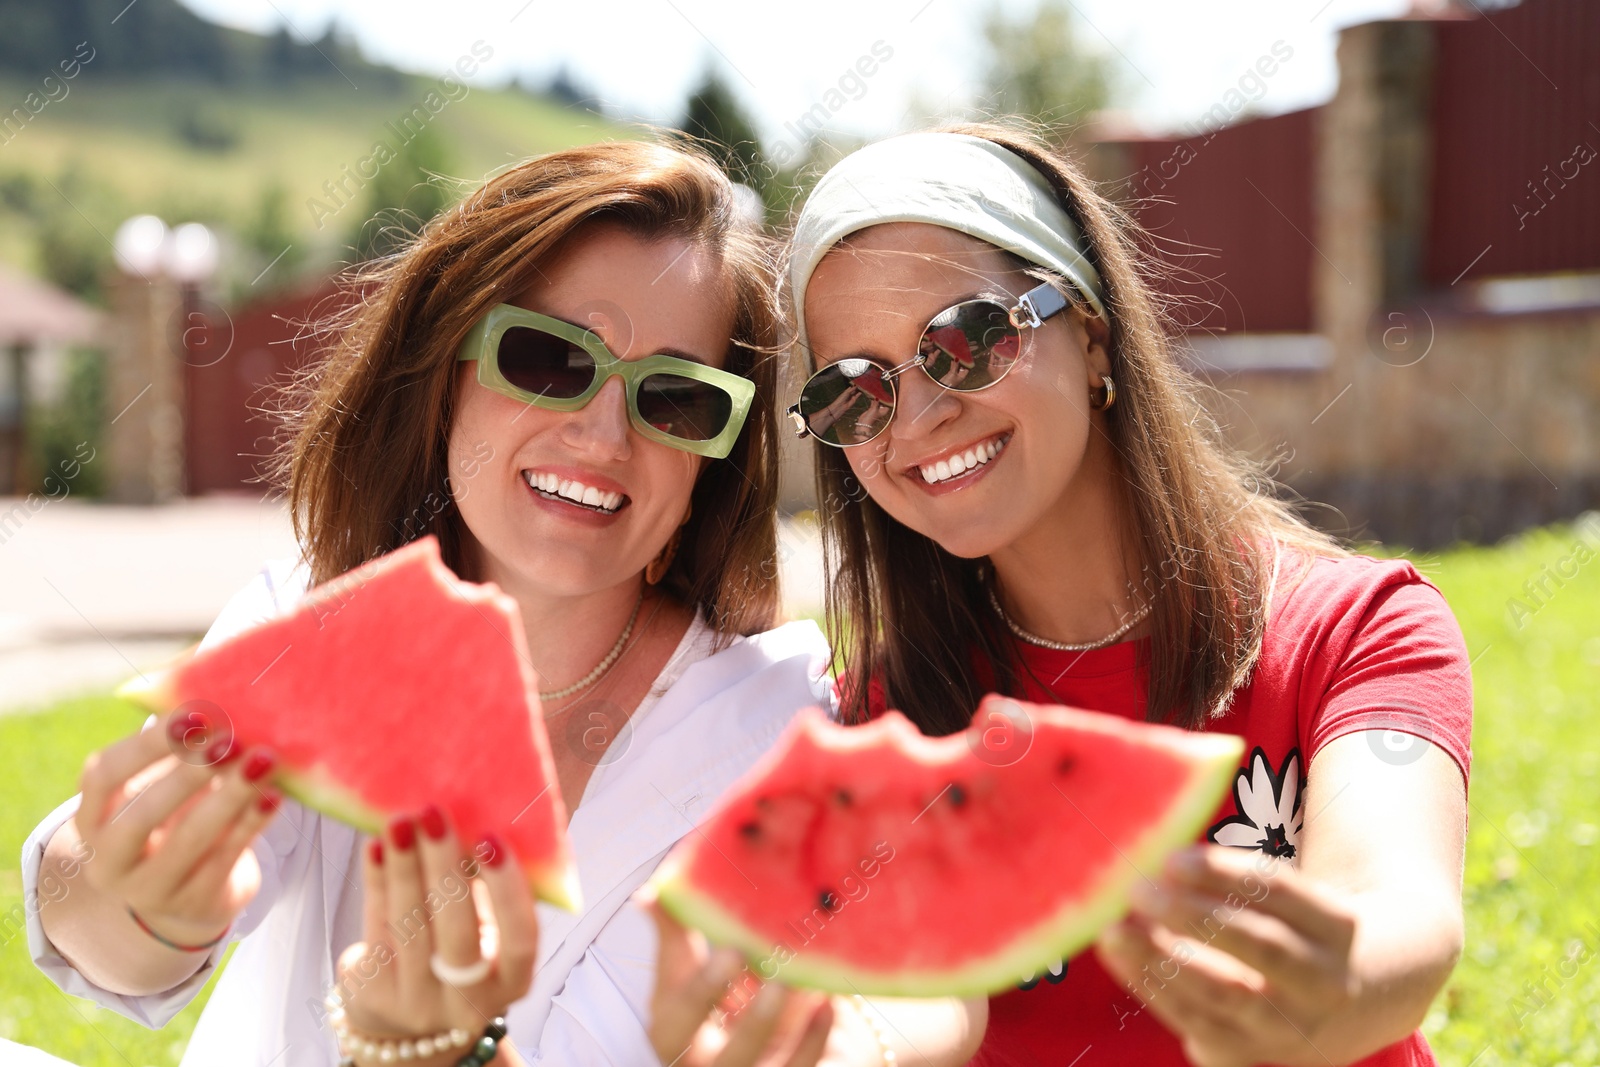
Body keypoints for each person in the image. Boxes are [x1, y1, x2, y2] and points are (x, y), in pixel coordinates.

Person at [22, 141, 980, 1067]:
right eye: (549, 359)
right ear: (447, 378)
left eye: (676, 399)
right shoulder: (308, 623)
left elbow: (900, 1007)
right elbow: (102, 947)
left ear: (713, 459)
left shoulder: (785, 728)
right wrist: (132, 898)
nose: (604, 434)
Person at [785, 124, 1472, 1066]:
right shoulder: (886, 710)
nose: (919, 414)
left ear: (1093, 334)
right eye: (854, 388)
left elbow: (1398, 908)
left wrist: (1339, 985)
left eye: (967, 337)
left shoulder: (1362, 629)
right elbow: (917, 997)